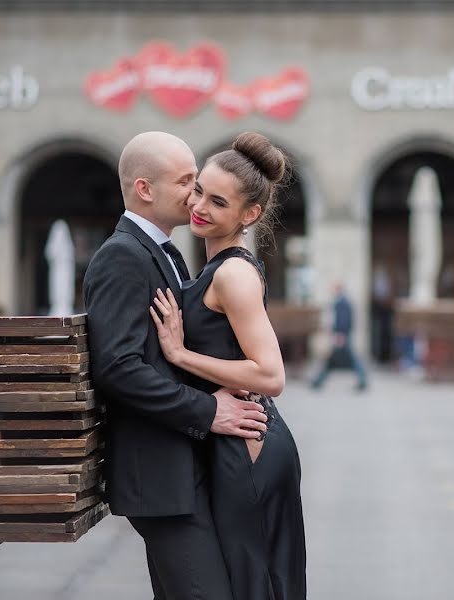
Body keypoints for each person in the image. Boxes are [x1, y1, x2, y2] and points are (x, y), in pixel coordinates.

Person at [84, 131, 269, 600]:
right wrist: (210, 410)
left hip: (181, 469)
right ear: (145, 189)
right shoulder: (123, 256)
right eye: (187, 181)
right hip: (159, 477)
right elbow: (118, 367)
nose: (196, 194)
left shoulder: (165, 253)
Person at [150, 131, 307, 600]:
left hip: (249, 446)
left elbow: (270, 375)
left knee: (252, 580)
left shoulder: (234, 274)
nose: (199, 206)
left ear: (249, 215)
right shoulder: (216, 268)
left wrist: (179, 355)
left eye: (218, 202)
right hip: (237, 438)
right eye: (199, 190)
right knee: (249, 577)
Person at [310, 283, 368, 392]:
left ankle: (318, 381)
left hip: (341, 336)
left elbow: (343, 320)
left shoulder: (342, 303)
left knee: (348, 359)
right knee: (332, 360)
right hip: (342, 335)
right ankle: (318, 381)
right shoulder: (343, 302)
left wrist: (340, 334)